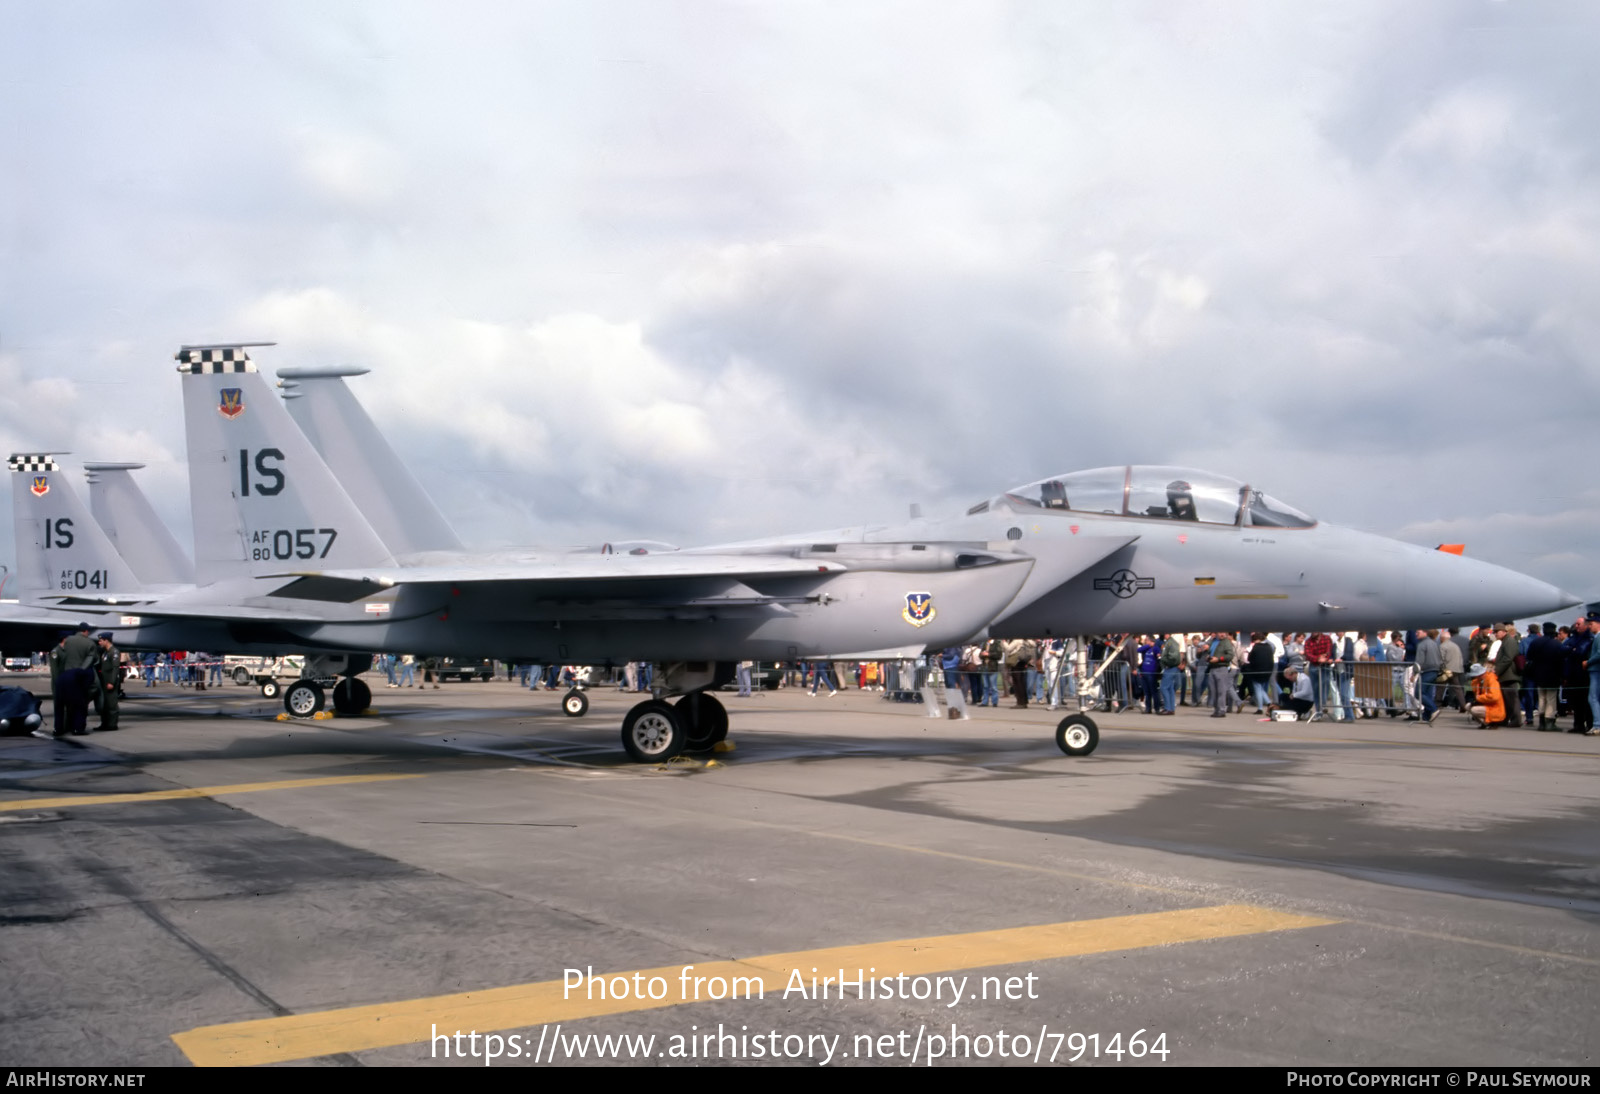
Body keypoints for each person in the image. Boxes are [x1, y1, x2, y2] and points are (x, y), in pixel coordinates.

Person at [92, 633, 121, 732]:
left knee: (111, 704)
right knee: (104, 704)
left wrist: (112, 682)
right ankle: (104, 723)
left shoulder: (114, 652)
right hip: (104, 681)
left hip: (110, 682)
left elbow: (115, 668)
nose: (99, 642)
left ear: (106, 640)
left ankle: (112, 724)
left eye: (101, 640)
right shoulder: (105, 653)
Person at [1466, 663, 1506, 728]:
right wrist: (1475, 701)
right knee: (1468, 706)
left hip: (1495, 709)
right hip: (1486, 705)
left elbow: (1494, 697)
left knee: (1474, 710)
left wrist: (1479, 698)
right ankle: (1485, 723)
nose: (1475, 677)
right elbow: (1477, 694)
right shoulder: (1477, 682)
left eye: (1476, 675)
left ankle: (1491, 722)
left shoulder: (1492, 680)